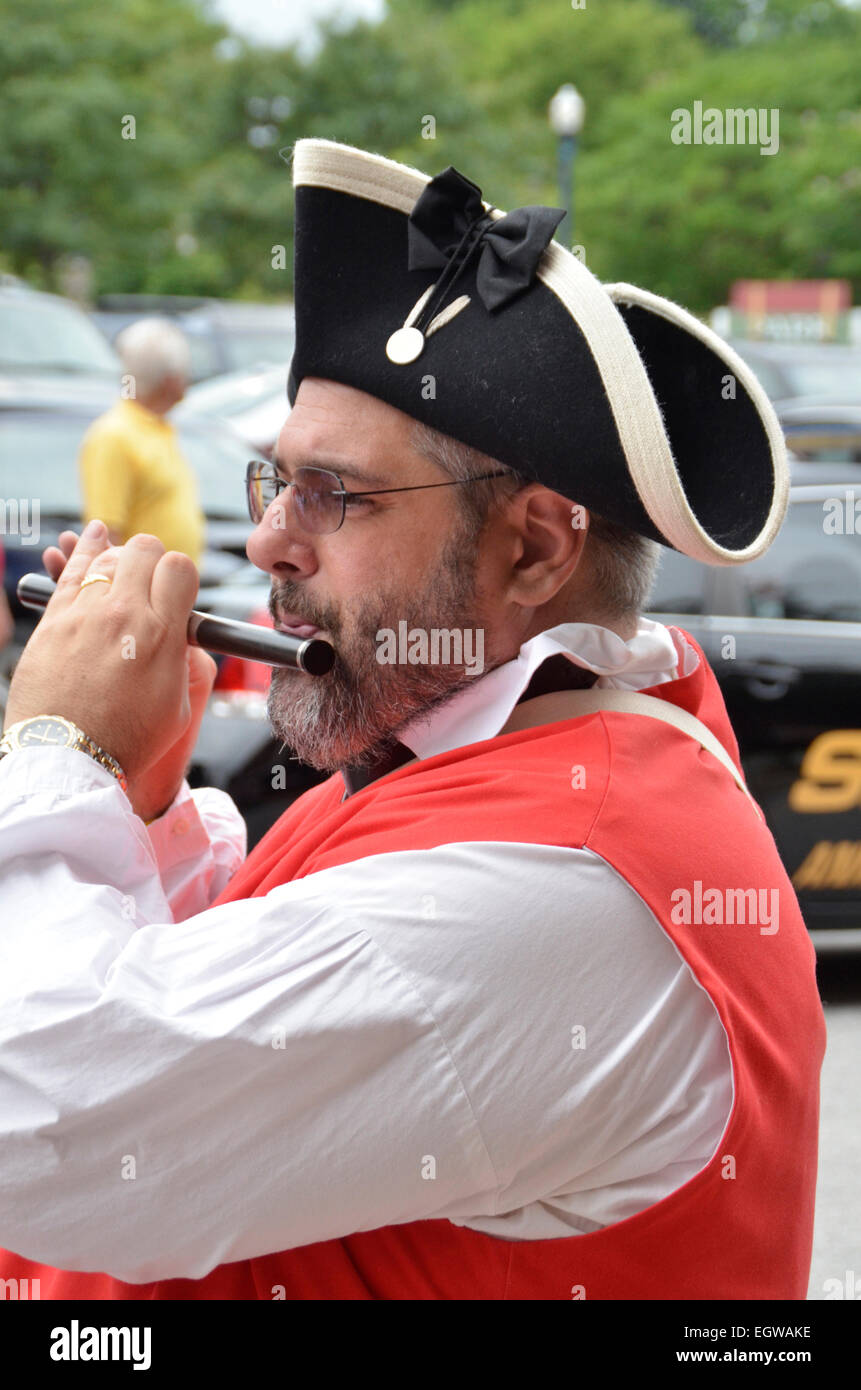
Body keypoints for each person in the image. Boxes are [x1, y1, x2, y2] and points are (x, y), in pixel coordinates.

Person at [0, 139, 824, 1300]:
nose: (275, 541)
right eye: (274, 482)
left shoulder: (557, 885)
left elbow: (45, 1124)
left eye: (333, 494)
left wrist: (57, 752)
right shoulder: (472, 756)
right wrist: (136, 807)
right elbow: (217, 1001)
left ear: (534, 545)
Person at [78, 316, 205, 566]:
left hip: (166, 591)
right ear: (170, 380)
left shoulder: (155, 427)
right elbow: (106, 535)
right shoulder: (113, 435)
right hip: (141, 595)